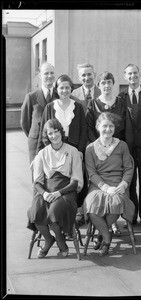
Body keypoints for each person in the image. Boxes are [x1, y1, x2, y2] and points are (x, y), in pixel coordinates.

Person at [27, 118, 84, 258]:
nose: (54, 136)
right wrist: (45, 194)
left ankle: (60, 241)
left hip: (66, 191)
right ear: (46, 135)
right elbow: (37, 181)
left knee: (54, 211)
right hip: (46, 190)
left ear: (61, 131)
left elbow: (76, 181)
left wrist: (59, 193)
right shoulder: (42, 153)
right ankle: (49, 239)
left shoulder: (72, 151)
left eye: (56, 131)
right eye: (50, 133)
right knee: (35, 211)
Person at [36, 74, 88, 226]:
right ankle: (52, 211)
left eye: (67, 87)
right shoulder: (50, 107)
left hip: (74, 151)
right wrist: (42, 152)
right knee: (54, 179)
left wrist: (80, 150)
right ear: (57, 90)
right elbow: (44, 131)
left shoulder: (77, 107)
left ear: (71, 89)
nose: (64, 90)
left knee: (75, 180)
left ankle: (76, 213)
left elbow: (84, 130)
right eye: (61, 87)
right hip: (55, 149)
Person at [83, 112, 135, 256]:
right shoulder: (90, 148)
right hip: (98, 185)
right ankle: (106, 237)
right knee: (92, 207)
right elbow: (91, 172)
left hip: (118, 184)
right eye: (104, 126)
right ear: (98, 126)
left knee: (115, 204)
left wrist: (124, 184)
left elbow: (128, 168)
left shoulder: (122, 145)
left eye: (111, 126)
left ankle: (102, 236)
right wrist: (104, 187)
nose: (108, 129)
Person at [86, 71, 127, 234]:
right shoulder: (92, 104)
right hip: (99, 149)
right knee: (98, 188)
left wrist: (120, 146)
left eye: (109, 82)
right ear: (98, 85)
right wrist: (96, 145)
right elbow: (89, 127)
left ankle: (112, 221)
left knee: (118, 189)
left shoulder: (121, 103)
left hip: (117, 149)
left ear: (113, 83)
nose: (106, 85)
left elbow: (126, 126)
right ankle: (103, 224)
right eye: (103, 83)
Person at [118, 64, 141, 225]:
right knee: (130, 182)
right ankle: (131, 216)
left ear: (140, 74)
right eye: (129, 74)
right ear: (125, 76)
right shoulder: (120, 97)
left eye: (135, 73)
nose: (133, 76)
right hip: (128, 147)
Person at [20, 62, 57, 163]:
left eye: (52, 73)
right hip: (35, 142)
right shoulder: (31, 97)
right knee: (36, 173)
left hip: (56, 140)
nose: (49, 76)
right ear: (40, 75)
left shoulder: (60, 95)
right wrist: (35, 135)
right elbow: (25, 123)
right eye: (46, 73)